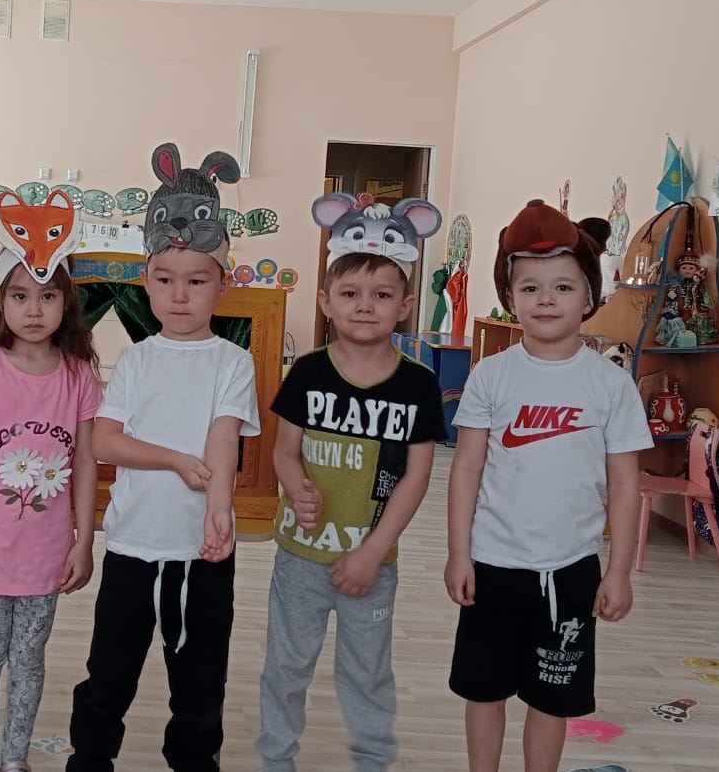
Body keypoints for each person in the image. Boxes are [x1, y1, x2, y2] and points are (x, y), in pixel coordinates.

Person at [67, 142, 259, 772]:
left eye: (197, 281)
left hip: (201, 554)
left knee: (200, 688)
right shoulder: (137, 359)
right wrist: (176, 461)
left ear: (221, 284)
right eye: (165, 280)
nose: (180, 295)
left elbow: (224, 438)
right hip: (131, 547)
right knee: (107, 677)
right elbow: (104, 441)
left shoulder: (233, 362)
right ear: (146, 281)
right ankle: (90, 760)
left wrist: (219, 509)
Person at [445, 199, 649, 772]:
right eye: (530, 288)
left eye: (563, 287)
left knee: (552, 698)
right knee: (483, 691)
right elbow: (466, 470)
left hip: (571, 569)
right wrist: (459, 553)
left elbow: (625, 484)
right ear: (510, 299)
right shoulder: (491, 375)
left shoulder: (611, 385)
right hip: (492, 564)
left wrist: (618, 571)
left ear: (589, 297)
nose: (546, 300)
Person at [256, 193, 446, 772]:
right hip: (300, 557)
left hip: (372, 564)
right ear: (326, 302)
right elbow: (284, 451)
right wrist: (296, 486)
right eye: (350, 294)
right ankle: (276, 761)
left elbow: (416, 477)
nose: (365, 306)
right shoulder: (308, 371)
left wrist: (372, 552)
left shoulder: (417, 383)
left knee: (367, 673)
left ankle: (372, 761)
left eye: (382, 295)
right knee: (286, 667)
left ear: (405, 306)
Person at [0, 188, 102, 772]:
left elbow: (86, 462)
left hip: (46, 555)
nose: (34, 309)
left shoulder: (79, 375)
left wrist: (84, 540)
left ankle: (14, 759)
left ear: (66, 302)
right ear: (1, 301)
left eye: (47, 295)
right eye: (19, 296)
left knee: (29, 660)